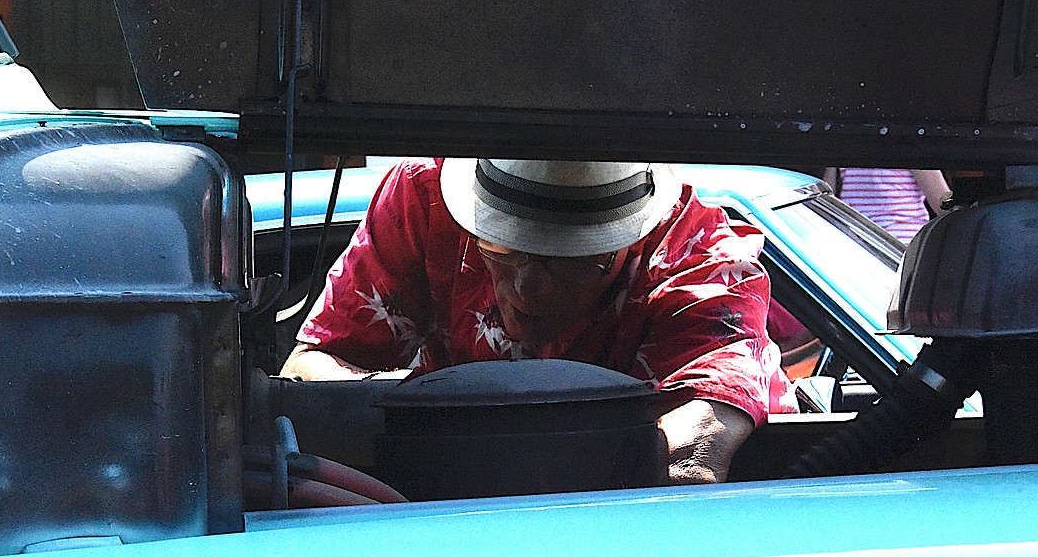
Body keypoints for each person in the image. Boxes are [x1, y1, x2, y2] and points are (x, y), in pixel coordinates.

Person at [280, 158, 796, 484]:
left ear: (627, 241)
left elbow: (696, 449)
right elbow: (310, 373)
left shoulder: (697, 254)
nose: (526, 288)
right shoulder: (423, 201)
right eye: (499, 248)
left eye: (570, 261)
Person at [822, 167, 950, 244]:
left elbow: (826, 198)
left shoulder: (846, 141)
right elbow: (945, 207)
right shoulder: (912, 142)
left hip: (855, 244)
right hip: (900, 248)